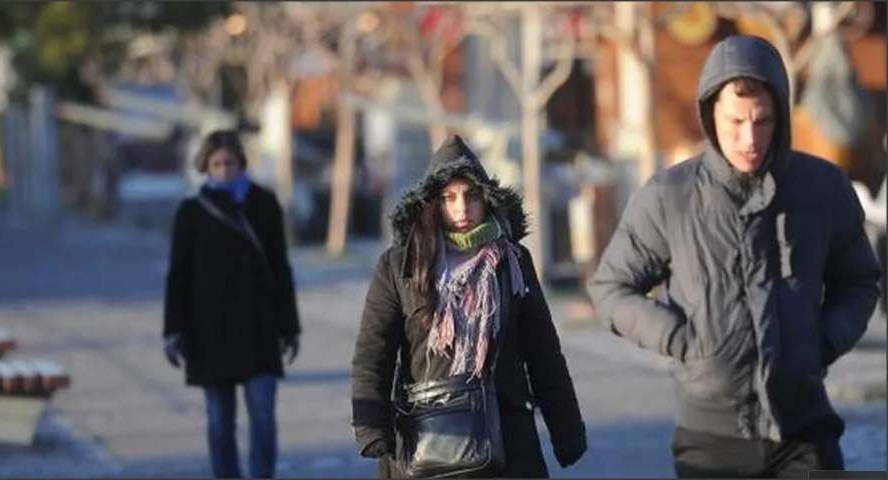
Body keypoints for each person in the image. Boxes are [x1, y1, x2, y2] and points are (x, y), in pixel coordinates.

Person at [587, 35, 882, 478]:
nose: (749, 137)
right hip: (711, 441)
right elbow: (610, 288)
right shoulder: (671, 196)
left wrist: (823, 342)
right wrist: (682, 341)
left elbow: (858, 281)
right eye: (735, 121)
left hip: (805, 430)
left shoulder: (821, 188)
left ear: (780, 113)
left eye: (762, 120)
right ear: (710, 114)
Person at [351, 135, 587, 478]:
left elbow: (543, 353)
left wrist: (567, 431)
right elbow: (374, 352)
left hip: (506, 439)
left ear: (486, 199)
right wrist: (372, 426)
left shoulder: (512, 261)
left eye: (471, 195)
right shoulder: (400, 265)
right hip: (427, 439)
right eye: (448, 198)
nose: (461, 208)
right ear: (432, 203)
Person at [163, 129, 301, 478]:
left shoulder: (264, 204)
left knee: (264, 421)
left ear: (242, 163)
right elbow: (178, 276)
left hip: (259, 330)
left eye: (231, 162)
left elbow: (280, 268)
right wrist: (172, 330)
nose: (225, 170)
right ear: (206, 167)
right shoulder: (191, 212)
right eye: (217, 163)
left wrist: (290, 327)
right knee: (220, 423)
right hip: (209, 334)